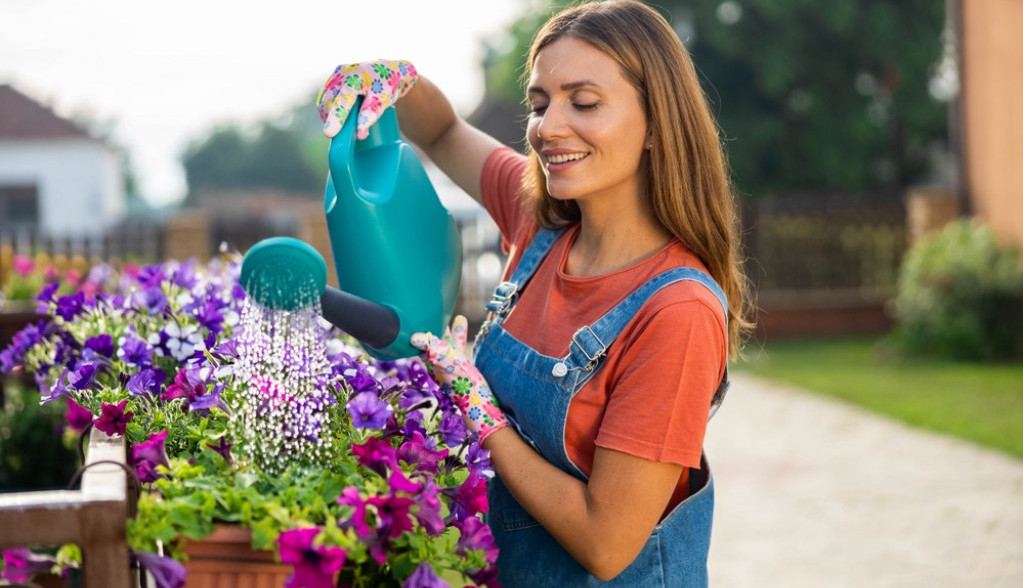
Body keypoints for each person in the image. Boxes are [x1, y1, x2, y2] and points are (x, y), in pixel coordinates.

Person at [316, 1, 752, 585]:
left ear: (657, 123)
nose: (548, 128)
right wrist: (393, 80)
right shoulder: (538, 224)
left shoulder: (677, 311)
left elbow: (607, 543)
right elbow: (443, 131)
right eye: (539, 104)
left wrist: (480, 414)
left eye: (585, 102)